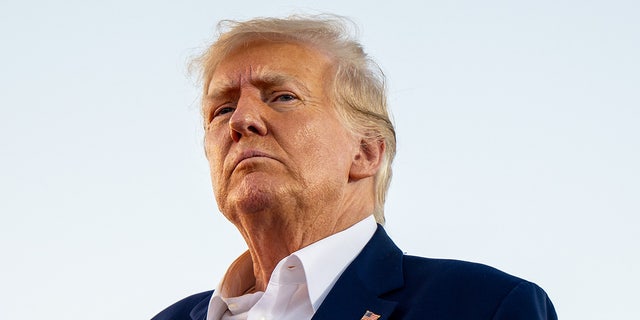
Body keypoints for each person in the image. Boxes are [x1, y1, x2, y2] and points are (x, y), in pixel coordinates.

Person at [153, 15, 557, 320]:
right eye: (222, 109)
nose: (241, 120)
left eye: (282, 97)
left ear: (365, 152)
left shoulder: (483, 307)